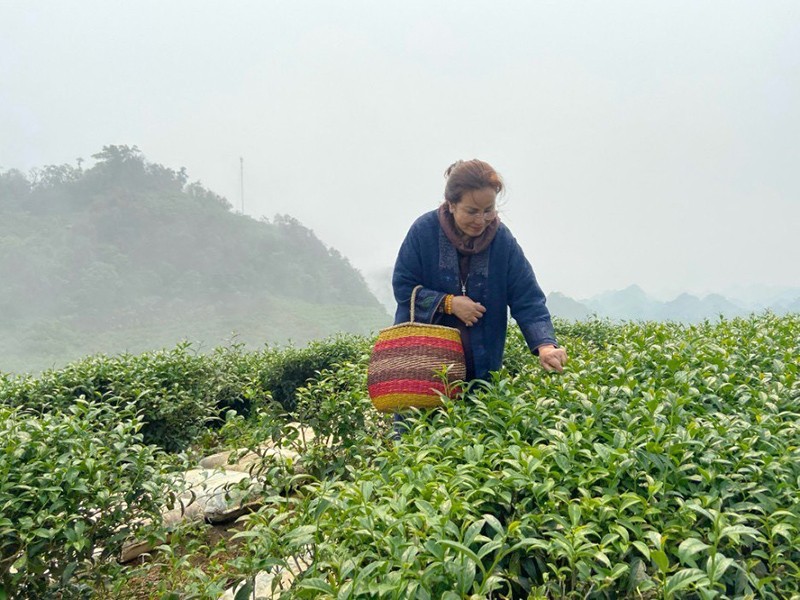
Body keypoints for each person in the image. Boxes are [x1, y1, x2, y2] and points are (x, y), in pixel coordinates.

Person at [392, 159, 567, 386]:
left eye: (488, 210)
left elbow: (527, 297)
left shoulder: (502, 241)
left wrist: (545, 346)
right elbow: (403, 287)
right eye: (472, 211)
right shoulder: (424, 231)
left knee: (479, 416)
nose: (481, 220)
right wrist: (449, 304)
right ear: (452, 204)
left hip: (482, 368)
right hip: (423, 369)